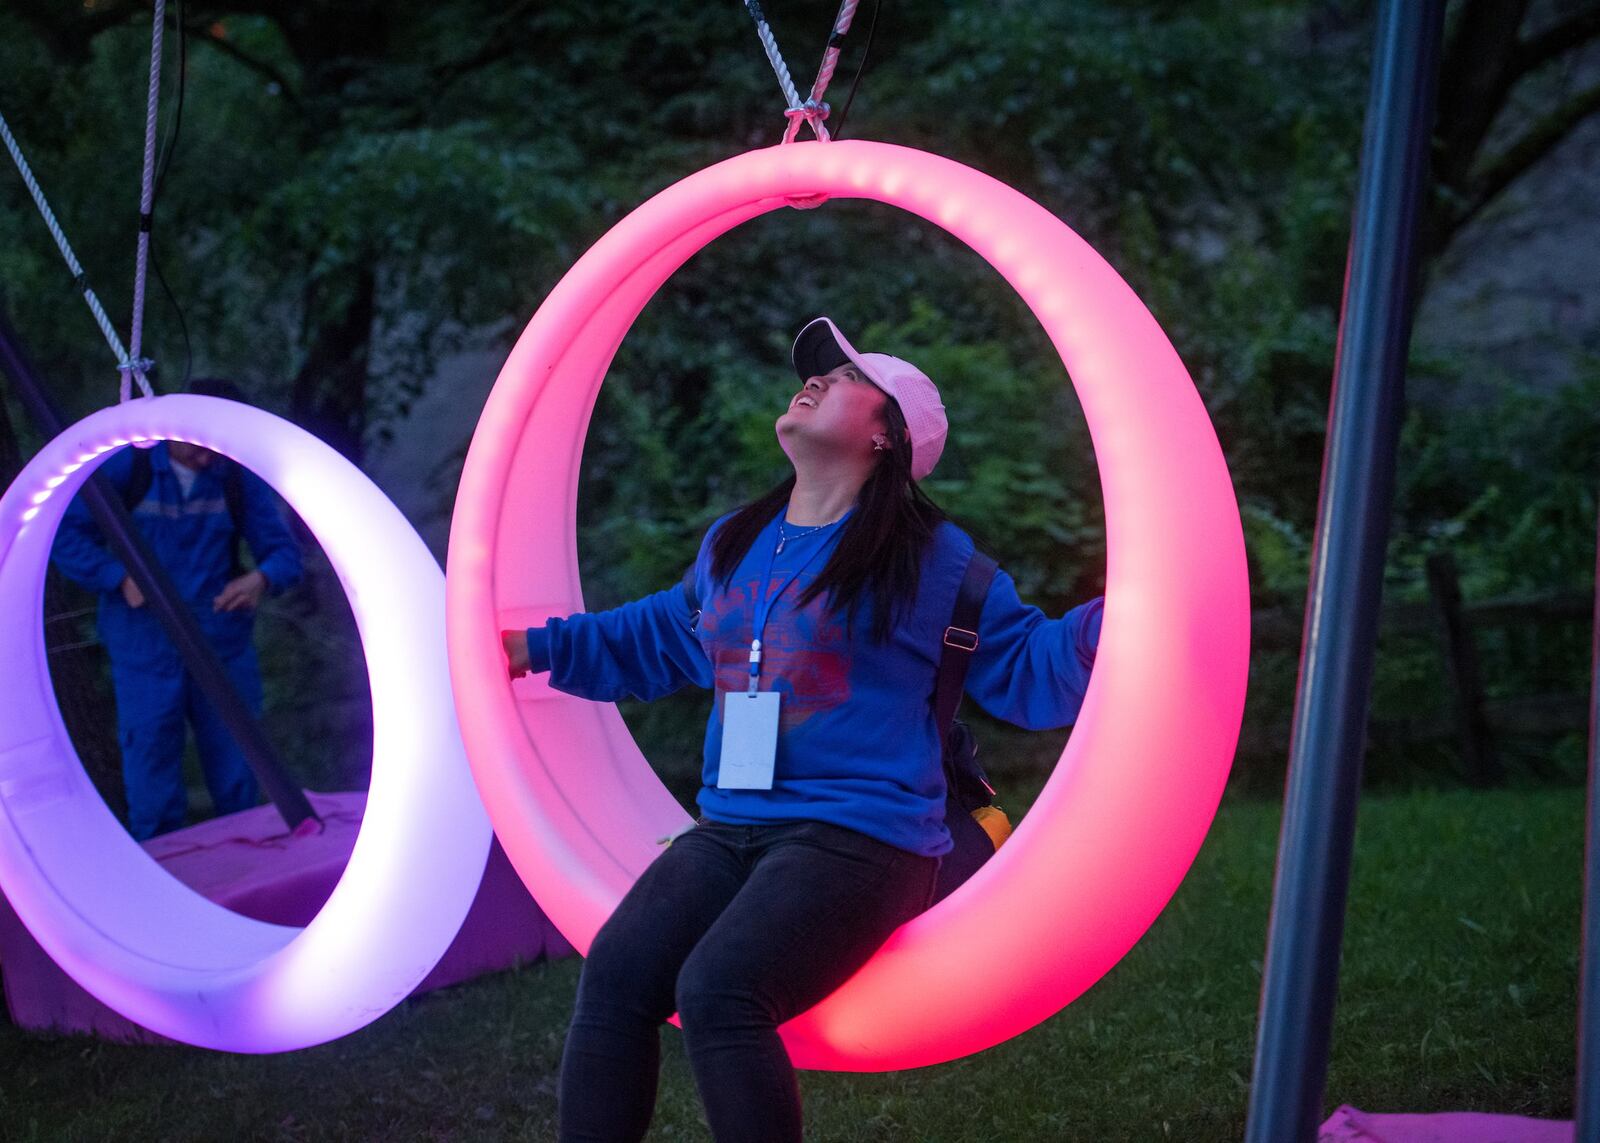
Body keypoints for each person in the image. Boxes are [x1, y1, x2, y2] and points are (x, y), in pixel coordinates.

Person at [502, 317, 1103, 1143]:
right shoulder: (737, 542)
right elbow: (656, 637)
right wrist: (525, 648)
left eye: (846, 375)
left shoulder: (934, 559)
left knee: (719, 989)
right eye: (816, 370)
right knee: (616, 973)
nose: (815, 378)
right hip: (734, 827)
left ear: (886, 433)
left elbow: (1031, 667)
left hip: (862, 838)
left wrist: (1127, 613)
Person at [51, 379, 303, 840]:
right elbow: (64, 534)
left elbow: (285, 554)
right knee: (152, 781)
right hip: (144, 649)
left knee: (240, 772)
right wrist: (116, 578)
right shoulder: (130, 465)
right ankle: (163, 879)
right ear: (183, 425)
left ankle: (247, 874)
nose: (209, 454)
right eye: (202, 442)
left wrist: (260, 578)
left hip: (221, 645)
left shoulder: (235, 478)